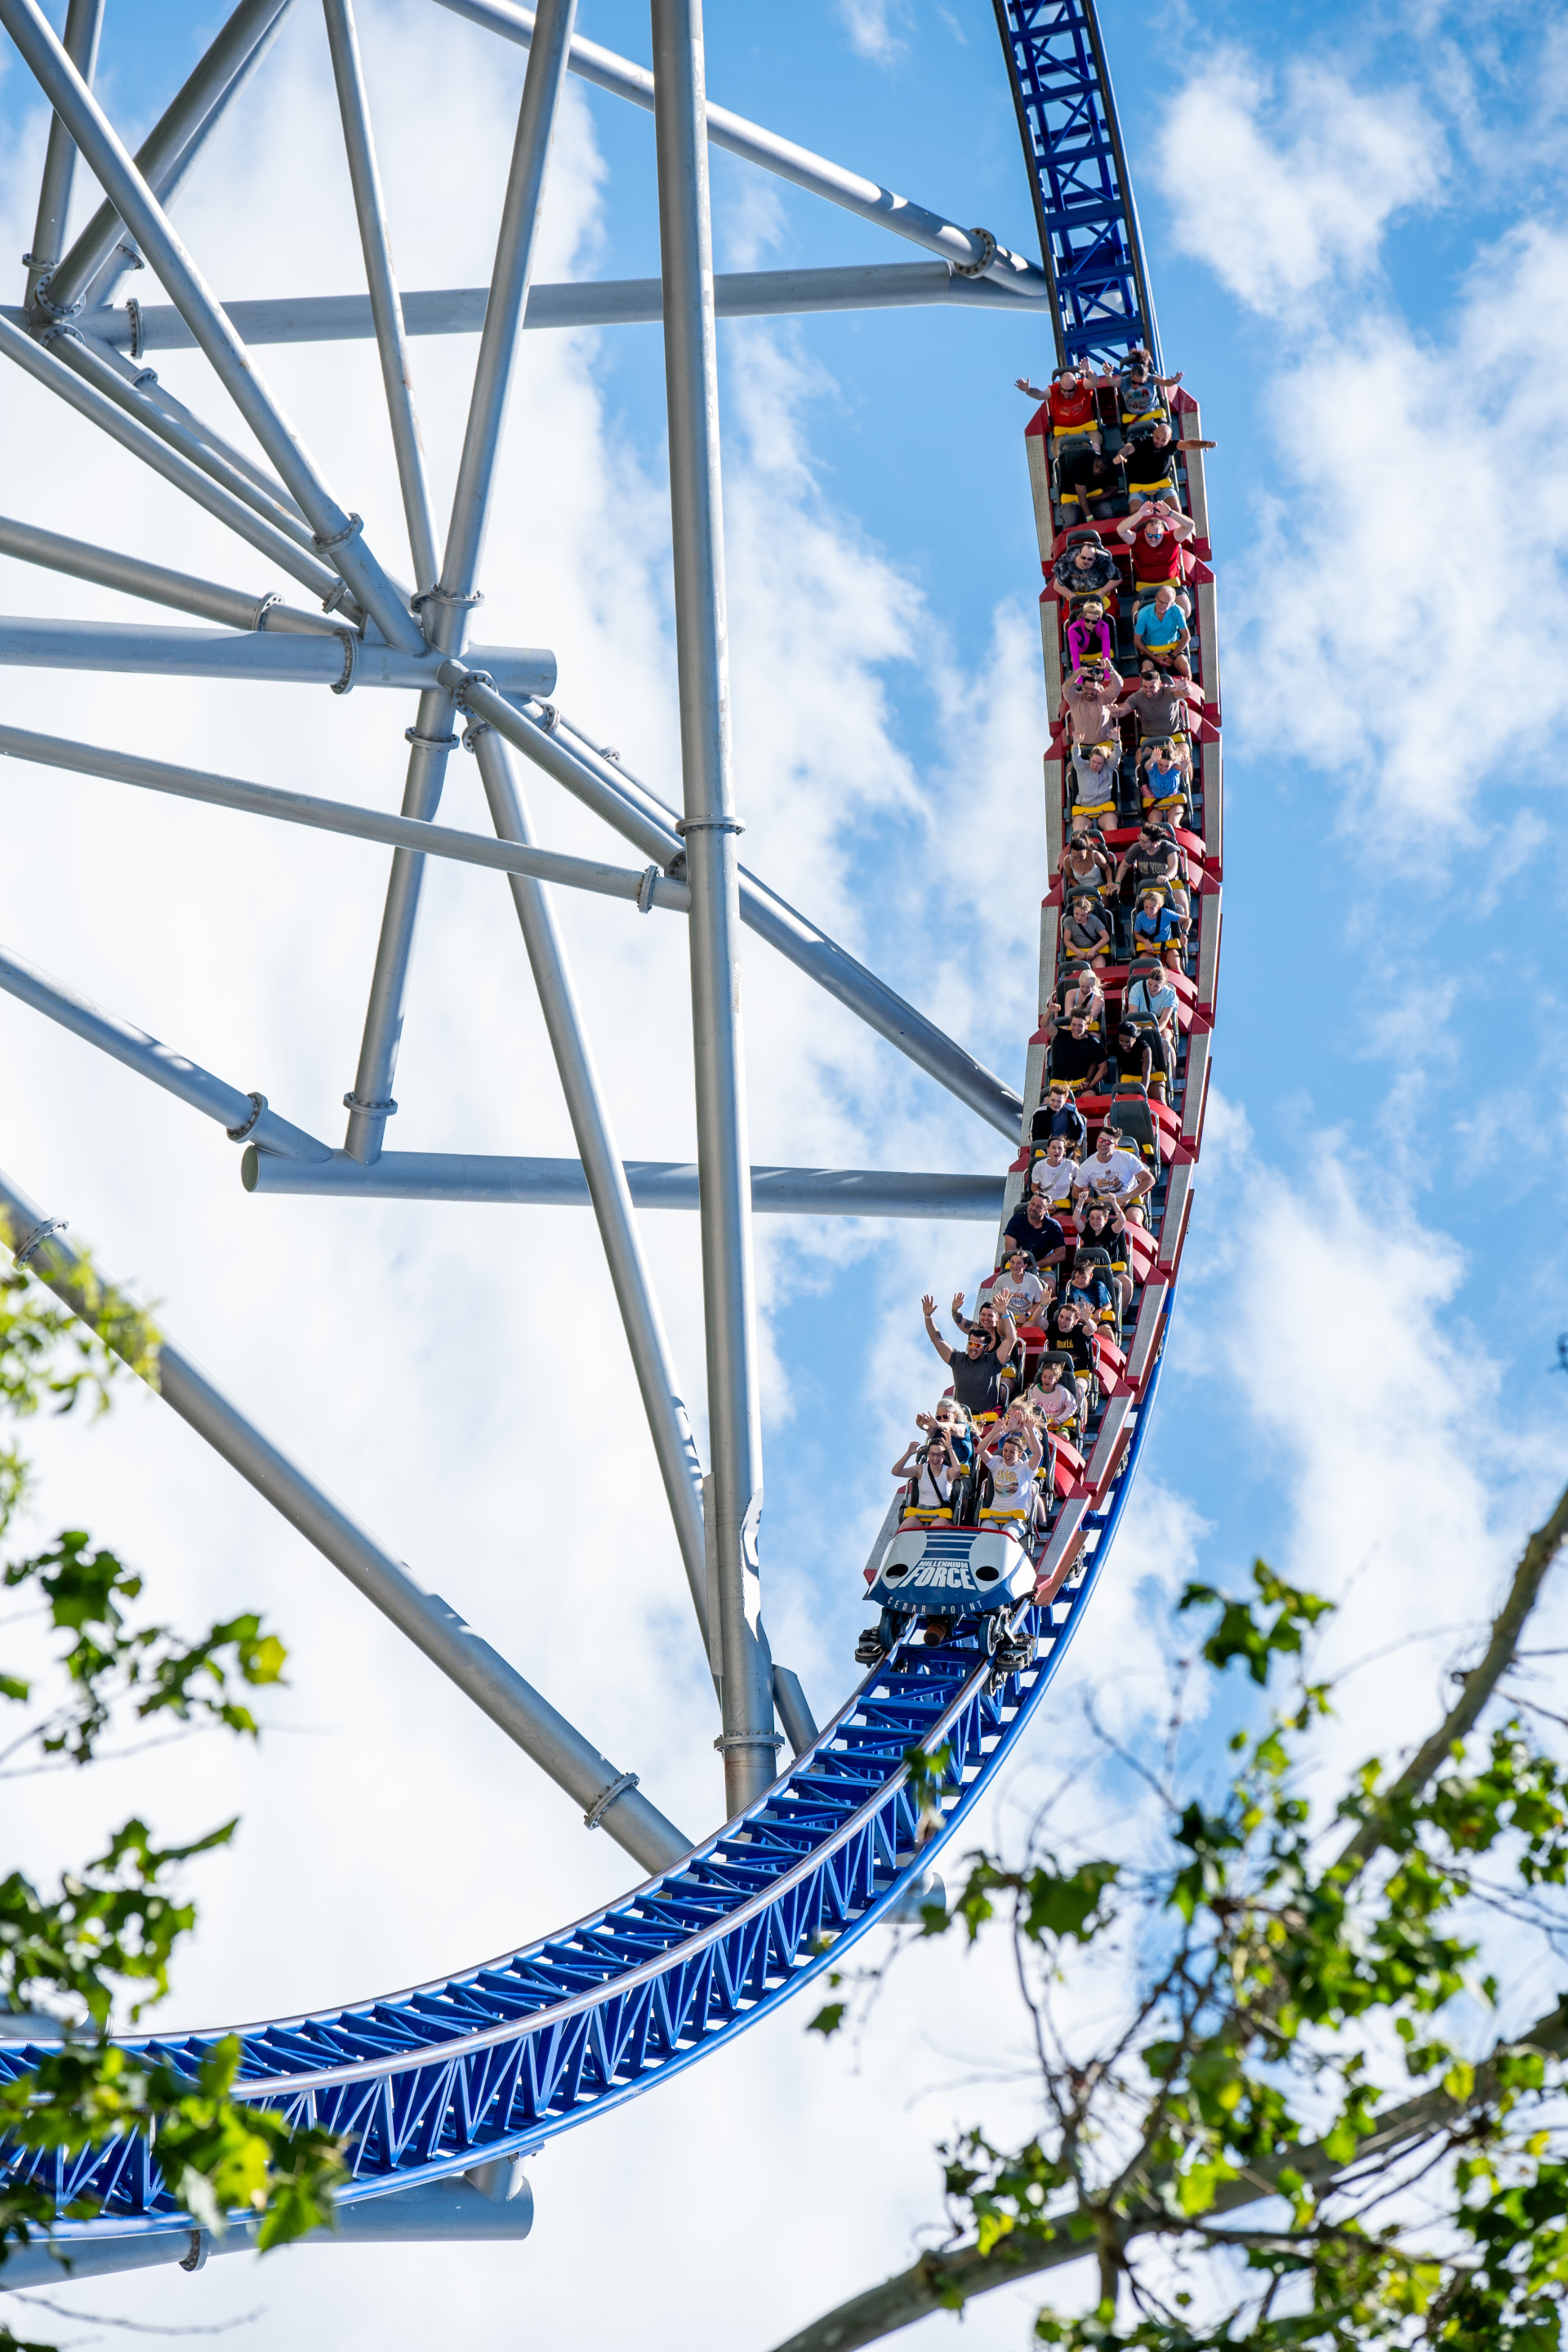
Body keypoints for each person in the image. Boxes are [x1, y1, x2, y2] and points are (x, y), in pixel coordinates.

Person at [922, 1291, 1018, 1421]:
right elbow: (936, 1339)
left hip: (988, 1415)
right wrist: (928, 1316)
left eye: (978, 1346)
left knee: (1004, 1386)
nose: (973, 1348)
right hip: (964, 1418)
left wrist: (1004, 1312)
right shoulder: (958, 1359)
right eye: (971, 1344)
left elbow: (1011, 1339)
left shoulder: (993, 1360)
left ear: (986, 1348)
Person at [1114, 416, 1216, 511]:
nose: (1159, 443)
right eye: (1157, 438)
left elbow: (1188, 444)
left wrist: (1204, 444)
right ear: (1153, 433)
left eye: (1164, 440)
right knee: (1135, 512)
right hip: (1138, 486)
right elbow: (1128, 448)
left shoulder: (1170, 445)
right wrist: (1121, 455)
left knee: (1176, 510)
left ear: (1169, 439)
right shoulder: (1142, 441)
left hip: (1163, 485)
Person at [1116, 502, 1196, 612]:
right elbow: (1121, 530)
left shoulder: (1170, 539)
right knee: (1136, 615)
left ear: (1163, 533)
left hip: (1171, 584)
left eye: (1157, 536)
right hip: (1145, 587)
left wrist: (1170, 513)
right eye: (1150, 535)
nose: (1153, 539)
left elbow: (1190, 526)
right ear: (1145, 533)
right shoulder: (1138, 540)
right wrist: (1140, 513)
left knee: (1185, 610)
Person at [1016, 359, 1102, 453]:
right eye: (1063, 390)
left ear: (1075, 386)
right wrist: (1028, 390)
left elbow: (1094, 382)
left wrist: (1089, 371)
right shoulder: (1055, 390)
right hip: (1063, 433)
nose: (1066, 393)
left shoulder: (1082, 385)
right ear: (1060, 386)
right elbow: (1040, 395)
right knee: (1061, 452)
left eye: (1070, 391)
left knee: (1095, 448)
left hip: (1087, 429)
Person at [977, 1415, 1044, 1534]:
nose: (1007, 1454)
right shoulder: (997, 1463)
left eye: (1012, 1452)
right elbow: (981, 1449)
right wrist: (996, 1431)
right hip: (994, 1514)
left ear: (1020, 1454)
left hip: (1016, 1517)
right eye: (1005, 1450)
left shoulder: (1025, 1468)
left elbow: (1038, 1455)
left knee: (1007, 1535)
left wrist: (1028, 1430)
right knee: (987, 1534)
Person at [890, 1415, 961, 1526]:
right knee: (906, 1527)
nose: (935, 1458)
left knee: (936, 1529)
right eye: (932, 1454)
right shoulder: (920, 1469)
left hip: (940, 1512)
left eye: (939, 1455)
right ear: (928, 1455)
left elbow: (957, 1471)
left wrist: (950, 1447)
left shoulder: (947, 1472)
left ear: (944, 1456)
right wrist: (908, 1454)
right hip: (920, 1510)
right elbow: (896, 1472)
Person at [1114, 662, 1203, 747]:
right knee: (1141, 756)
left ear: (1160, 684)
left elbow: (1186, 693)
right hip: (1149, 739)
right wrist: (1114, 711)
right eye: (1145, 687)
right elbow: (1121, 712)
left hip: (1174, 736)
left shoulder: (1169, 691)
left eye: (1152, 687)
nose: (1148, 691)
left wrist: (1185, 687)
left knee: (1184, 753)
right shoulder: (1137, 697)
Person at [1072, 1125, 1155, 1210]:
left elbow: (1150, 1180)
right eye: (1101, 1140)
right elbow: (1075, 1192)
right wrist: (1096, 1201)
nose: (1103, 1144)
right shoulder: (1086, 1166)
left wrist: (1126, 1197)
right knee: (1097, 1218)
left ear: (1115, 1146)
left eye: (1108, 1142)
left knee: (1133, 1217)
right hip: (1104, 1203)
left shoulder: (1127, 1158)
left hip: (1130, 1199)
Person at [1076, 1198, 1134, 1313]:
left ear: (1106, 1219)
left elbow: (1122, 1220)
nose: (1094, 1221)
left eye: (1098, 1218)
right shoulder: (1086, 1231)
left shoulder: (1112, 1229)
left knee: (1127, 1284)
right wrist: (1081, 1202)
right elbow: (1075, 1219)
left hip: (1112, 1271)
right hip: (1091, 1272)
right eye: (1092, 1218)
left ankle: (1121, 1314)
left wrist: (1114, 1202)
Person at [1001, 1187, 1069, 1272]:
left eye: (1039, 1207)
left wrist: (1035, 1266)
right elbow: (1010, 1249)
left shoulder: (1053, 1226)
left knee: (1049, 1281)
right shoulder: (1016, 1221)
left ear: (1045, 1210)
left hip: (1042, 1267)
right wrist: (1020, 1266)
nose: (1033, 1208)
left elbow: (1061, 1254)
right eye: (1032, 1204)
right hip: (1017, 1265)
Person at [1116, 349, 1183, 431]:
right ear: (1131, 376)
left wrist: (1174, 381)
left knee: (1163, 430)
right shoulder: (1125, 380)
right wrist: (1108, 374)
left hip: (1153, 413)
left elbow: (1165, 382)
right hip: (1133, 416)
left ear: (1146, 378)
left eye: (1141, 384)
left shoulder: (1151, 379)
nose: (1137, 386)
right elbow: (1112, 382)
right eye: (1134, 382)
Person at [1060, 661, 1124, 749]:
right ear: (1082, 687)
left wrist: (1110, 669)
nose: (1090, 692)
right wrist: (1077, 673)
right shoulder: (1074, 698)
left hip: (1105, 746)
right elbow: (1066, 688)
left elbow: (1118, 685)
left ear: (1099, 689)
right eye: (1087, 689)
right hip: (1081, 747)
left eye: (1093, 689)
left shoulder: (1104, 697)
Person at [1133, 582, 1192, 675]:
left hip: (1173, 649)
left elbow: (1186, 637)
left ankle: (1185, 684)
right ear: (1156, 598)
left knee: (1186, 669)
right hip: (1150, 651)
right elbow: (1137, 641)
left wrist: (1172, 657)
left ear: (1172, 603)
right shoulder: (1143, 613)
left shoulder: (1178, 611)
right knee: (1147, 673)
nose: (1162, 606)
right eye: (1160, 602)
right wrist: (1154, 658)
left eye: (1166, 604)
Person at [1050, 533, 1120, 608]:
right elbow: (1057, 585)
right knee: (1070, 613)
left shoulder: (1103, 560)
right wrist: (1075, 598)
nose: (1086, 561)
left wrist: (1101, 593)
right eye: (1083, 557)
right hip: (1075, 597)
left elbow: (1116, 579)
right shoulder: (1067, 562)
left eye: (1089, 559)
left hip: (1102, 595)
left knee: (1111, 610)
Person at [981, 1248, 1047, 1326]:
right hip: (1006, 1316)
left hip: (1028, 1317)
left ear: (1025, 1265)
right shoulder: (1001, 1280)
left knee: (1028, 1326)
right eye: (1012, 1262)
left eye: (1019, 1263)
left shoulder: (1033, 1281)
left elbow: (1039, 1303)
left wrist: (1026, 1315)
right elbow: (996, 1303)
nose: (1015, 1266)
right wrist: (1003, 1308)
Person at [1050, 1010, 1108, 1096]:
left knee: (1089, 1095)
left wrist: (1090, 1085)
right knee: (1048, 1100)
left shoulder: (1093, 1043)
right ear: (1070, 1024)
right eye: (1074, 1024)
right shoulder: (1062, 1035)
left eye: (1080, 1025)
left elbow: (1104, 1067)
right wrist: (1049, 1011)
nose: (1076, 1028)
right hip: (1060, 1086)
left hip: (1082, 1085)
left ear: (1087, 1026)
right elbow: (1045, 1025)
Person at [1069, 745, 1122, 828]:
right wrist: (1076, 744)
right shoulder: (1082, 767)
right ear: (1090, 758)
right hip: (1083, 810)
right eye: (1093, 761)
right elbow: (1076, 757)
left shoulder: (1108, 768)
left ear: (1104, 763)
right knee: (1078, 832)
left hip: (1105, 809)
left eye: (1099, 763)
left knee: (1111, 828)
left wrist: (1117, 742)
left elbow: (1117, 756)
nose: (1095, 765)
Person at [1132, 886, 1187, 968]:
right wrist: (1145, 941)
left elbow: (1188, 919)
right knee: (1143, 967)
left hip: (1168, 946)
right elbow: (1136, 934)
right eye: (1146, 907)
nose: (1148, 911)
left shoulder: (1166, 913)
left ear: (1158, 907)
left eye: (1152, 908)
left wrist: (1184, 933)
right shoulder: (1140, 916)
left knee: (1176, 966)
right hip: (1149, 948)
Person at [1140, 739, 1192, 821]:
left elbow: (1182, 769)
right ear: (1157, 762)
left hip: (1174, 802)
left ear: (1172, 764)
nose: (1163, 769)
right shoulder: (1153, 769)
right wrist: (1152, 760)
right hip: (1155, 803)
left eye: (1167, 766)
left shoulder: (1174, 768)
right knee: (1155, 824)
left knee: (1173, 823)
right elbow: (1147, 766)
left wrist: (1184, 767)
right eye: (1161, 765)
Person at [1035, 1080, 1089, 1156]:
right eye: (1053, 1100)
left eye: (1059, 1101)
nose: (1055, 1104)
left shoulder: (1071, 1112)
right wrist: (1047, 1151)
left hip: (1067, 1151)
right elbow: (1034, 1136)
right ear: (1049, 1098)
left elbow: (1078, 1134)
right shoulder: (1039, 1113)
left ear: (1064, 1101)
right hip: (1043, 1151)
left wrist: (1067, 1152)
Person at [1062, 892, 1114, 971]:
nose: (1078, 917)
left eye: (1082, 915)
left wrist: (1093, 950)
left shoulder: (1094, 920)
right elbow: (1067, 940)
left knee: (1099, 970)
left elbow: (1106, 937)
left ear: (1088, 914)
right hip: (1078, 953)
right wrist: (1077, 951)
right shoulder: (1069, 921)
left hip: (1096, 952)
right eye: (1076, 914)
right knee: (1077, 972)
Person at [1031, 1135, 1080, 1220]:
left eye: (1060, 1148)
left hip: (1062, 1204)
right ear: (1048, 1150)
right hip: (1043, 1201)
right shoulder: (1039, 1166)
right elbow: (1034, 1187)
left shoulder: (1071, 1165)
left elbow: (1081, 1180)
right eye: (1053, 1148)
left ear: (1064, 1151)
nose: (1056, 1151)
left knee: (1052, 1222)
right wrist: (1046, 1202)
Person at [1062, 831, 1113, 904]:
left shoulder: (1095, 856)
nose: (1078, 860)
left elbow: (1107, 869)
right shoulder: (1068, 860)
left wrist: (1109, 881)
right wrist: (1078, 887)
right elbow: (1070, 877)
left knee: (1098, 906)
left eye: (1081, 857)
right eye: (1074, 857)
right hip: (1082, 891)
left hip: (1099, 889)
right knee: (1077, 907)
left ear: (1086, 850)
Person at [1065, 600, 1115, 672]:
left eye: (1094, 622)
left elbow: (1106, 653)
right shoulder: (1073, 629)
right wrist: (1078, 677)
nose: (1090, 624)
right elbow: (1075, 656)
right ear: (1084, 616)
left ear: (1100, 618)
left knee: (1111, 669)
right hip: (1082, 652)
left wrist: (1107, 675)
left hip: (1099, 649)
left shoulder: (1104, 626)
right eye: (1087, 620)